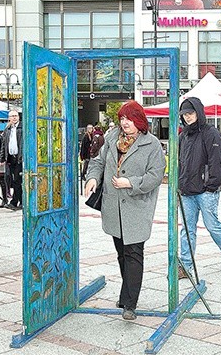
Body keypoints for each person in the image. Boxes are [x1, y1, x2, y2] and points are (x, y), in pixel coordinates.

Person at [84, 101, 165, 321]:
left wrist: (130, 182)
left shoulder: (152, 144)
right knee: (122, 253)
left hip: (137, 207)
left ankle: (130, 303)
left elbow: (155, 175)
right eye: (122, 119)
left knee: (133, 253)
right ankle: (126, 293)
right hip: (114, 207)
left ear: (139, 120)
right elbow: (98, 161)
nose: (125, 123)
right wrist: (92, 177)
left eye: (129, 118)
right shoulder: (111, 139)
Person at [178, 97, 221, 278]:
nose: (188, 117)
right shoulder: (183, 136)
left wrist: (212, 184)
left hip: (206, 189)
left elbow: (217, 161)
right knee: (187, 229)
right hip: (187, 189)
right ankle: (185, 266)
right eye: (185, 115)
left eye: (190, 113)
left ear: (198, 112)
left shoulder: (210, 133)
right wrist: (179, 184)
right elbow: (180, 162)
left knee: (212, 224)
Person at [0, 110, 23, 211]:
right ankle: (21, 201)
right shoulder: (8, 129)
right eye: (12, 116)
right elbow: (4, 145)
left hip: (20, 158)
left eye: (15, 116)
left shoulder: (22, 128)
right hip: (10, 157)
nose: (14, 118)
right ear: (9, 118)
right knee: (14, 181)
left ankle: (14, 202)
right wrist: (2, 158)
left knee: (17, 180)